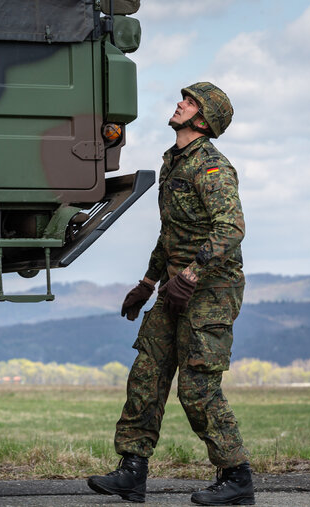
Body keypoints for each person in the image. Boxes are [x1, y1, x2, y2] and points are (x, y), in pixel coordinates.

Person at [87, 82, 254, 505]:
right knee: (147, 373)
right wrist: (147, 283)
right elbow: (170, 235)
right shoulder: (174, 162)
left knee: (197, 389)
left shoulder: (211, 167)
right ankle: (132, 471)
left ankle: (236, 477)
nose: (180, 104)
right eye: (185, 99)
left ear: (203, 118)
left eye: (190, 102)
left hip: (210, 290)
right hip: (174, 286)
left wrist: (193, 275)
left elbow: (231, 227)